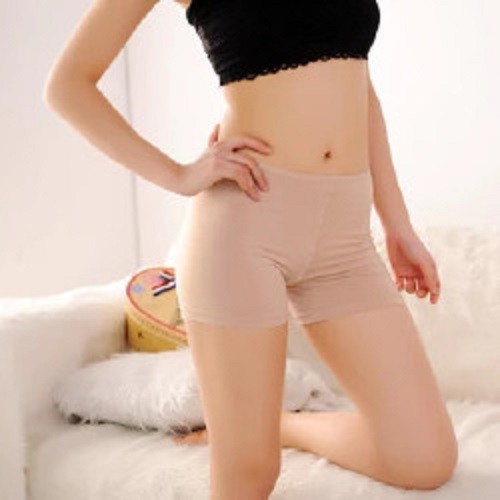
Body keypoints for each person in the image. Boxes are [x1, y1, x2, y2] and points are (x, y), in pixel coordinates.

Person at [43, 0, 458, 498]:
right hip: (246, 227)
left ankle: (282, 426)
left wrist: (397, 223)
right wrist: (179, 175)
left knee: (424, 458)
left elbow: (357, 83)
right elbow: (68, 86)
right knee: (250, 474)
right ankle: (249, 436)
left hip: (343, 239)